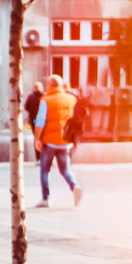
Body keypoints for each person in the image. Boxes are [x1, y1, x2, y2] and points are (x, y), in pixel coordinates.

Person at [33, 74, 82, 208]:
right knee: (65, 169)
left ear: (49, 85)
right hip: (66, 141)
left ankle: (46, 198)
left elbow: (40, 121)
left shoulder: (45, 100)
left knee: (44, 170)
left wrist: (37, 138)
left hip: (49, 141)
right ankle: (75, 186)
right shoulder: (71, 99)